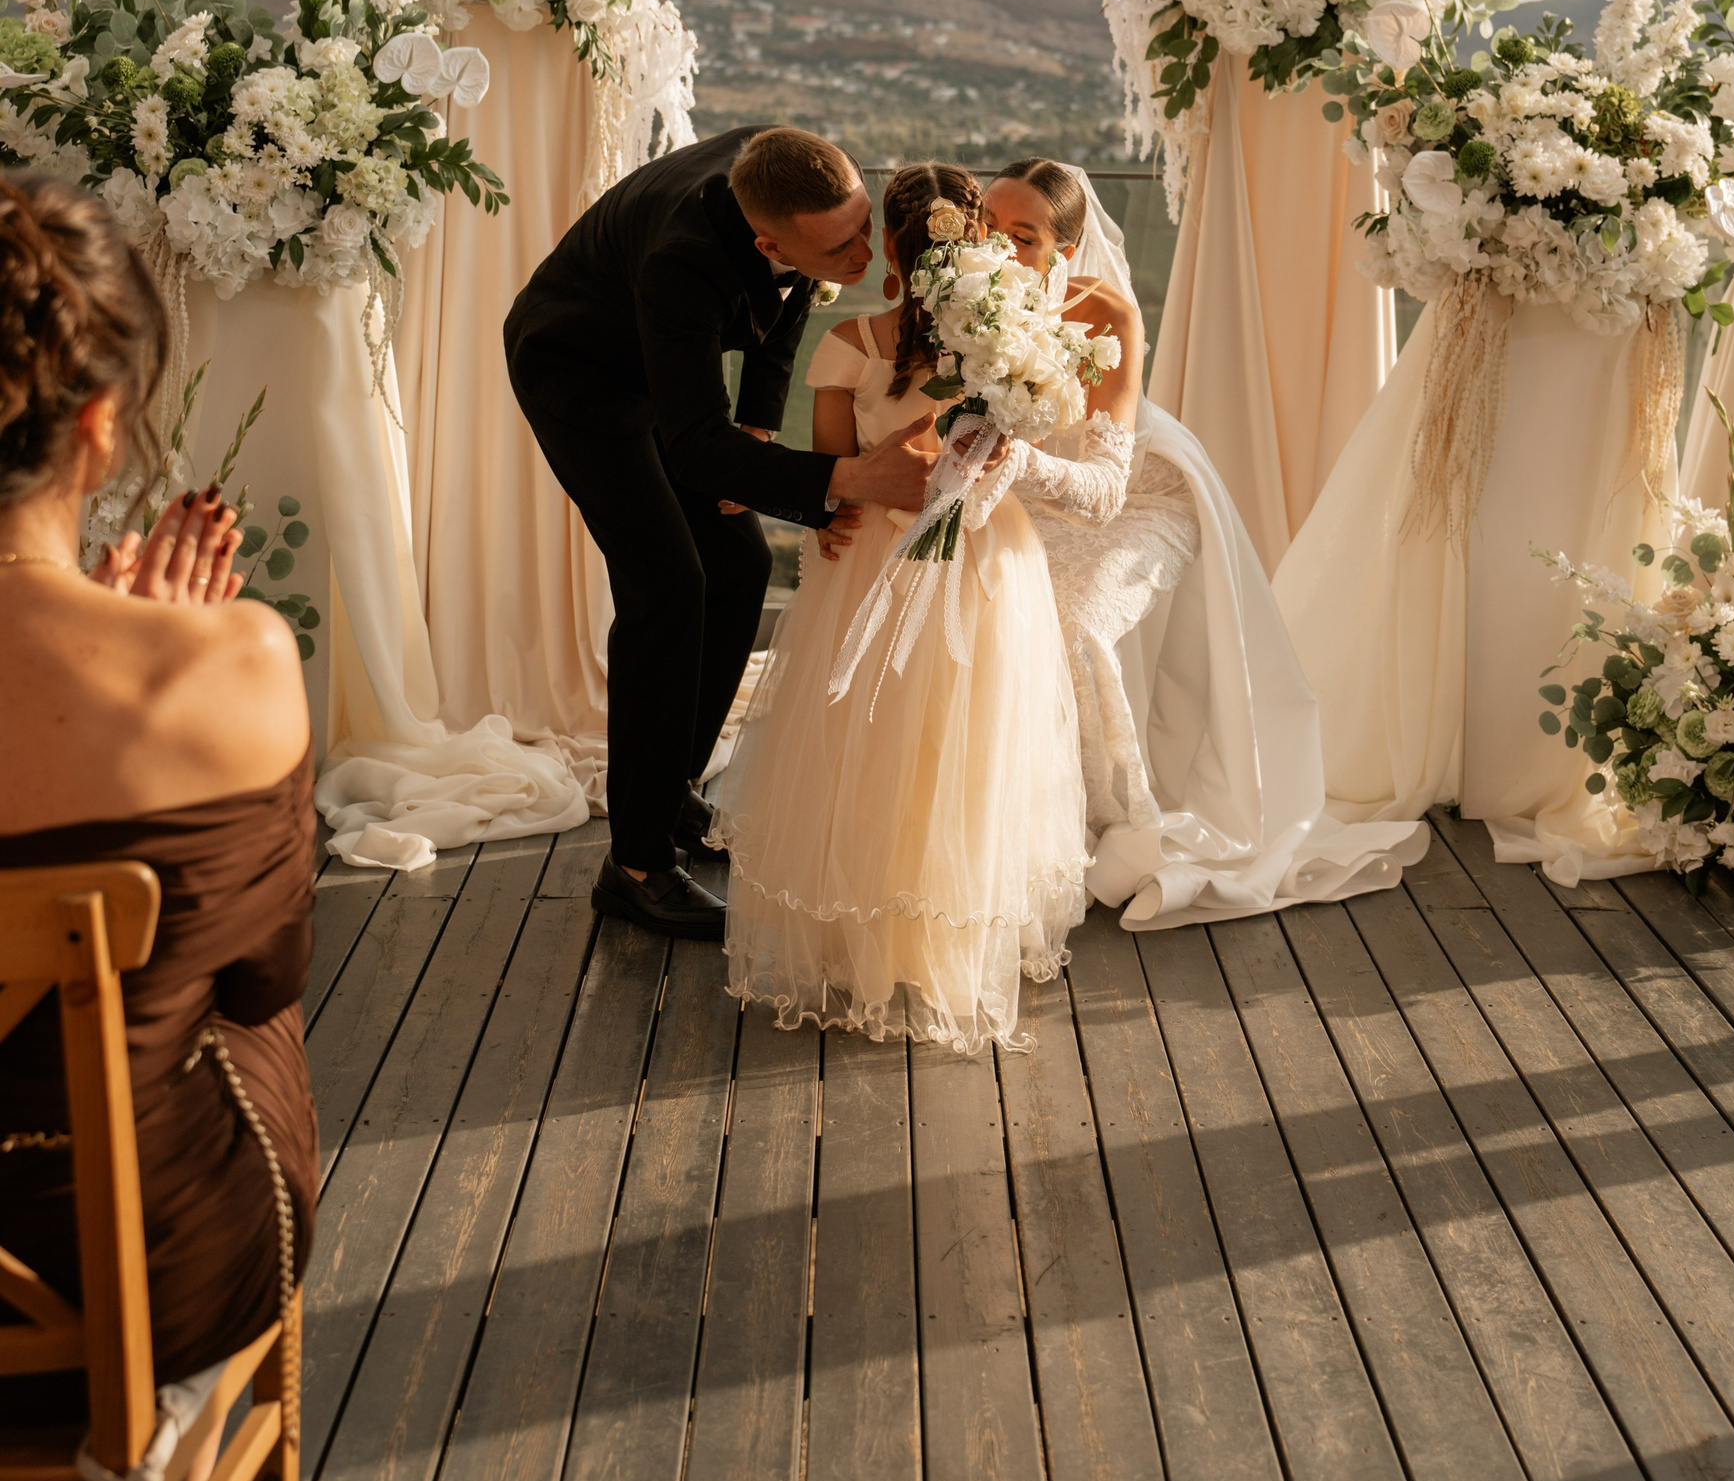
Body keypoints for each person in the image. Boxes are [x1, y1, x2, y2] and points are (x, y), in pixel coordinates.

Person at [0, 175, 317, 1481]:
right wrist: (156, 666)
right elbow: (264, 976)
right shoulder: (229, 666)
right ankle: (166, 1459)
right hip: (100, 1272)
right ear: (97, 424)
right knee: (242, 1030)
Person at [707, 163, 1132, 1053]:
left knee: (868, 748)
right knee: (951, 753)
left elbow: (838, 483)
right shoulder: (990, 338)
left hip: (885, 563)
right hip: (976, 564)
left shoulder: (858, 342)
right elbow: (846, 482)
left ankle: (872, 939)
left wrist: (831, 532)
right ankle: (925, 943)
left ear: (890, 258)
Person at [504, 124, 937, 940]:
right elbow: (695, 443)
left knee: (737, 564)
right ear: (767, 240)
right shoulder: (684, 262)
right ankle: (635, 868)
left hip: (671, 370)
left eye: (863, 226)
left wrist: (761, 426)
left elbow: (796, 296)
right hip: (580, 373)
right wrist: (849, 479)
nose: (865, 256)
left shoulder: (792, 173)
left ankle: (669, 792)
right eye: (840, 247)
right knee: (667, 588)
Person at [982, 160, 1429, 925]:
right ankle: (1009, 808)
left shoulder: (1107, 314)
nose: (1000, 250)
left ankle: (1111, 822)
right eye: (988, 228)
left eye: (1023, 237)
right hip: (1029, 491)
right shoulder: (968, 303)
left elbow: (1106, 481)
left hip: (1136, 493)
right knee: (993, 607)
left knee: (1077, 624)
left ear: (1067, 248)